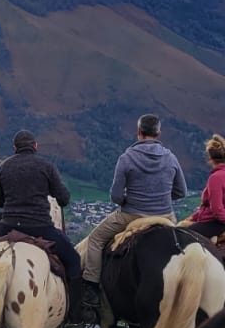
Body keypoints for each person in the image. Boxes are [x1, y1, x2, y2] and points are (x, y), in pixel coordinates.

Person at [79, 114, 188, 307]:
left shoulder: (127, 158)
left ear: (139, 132)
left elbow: (115, 196)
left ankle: (91, 288)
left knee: (95, 240)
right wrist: (160, 198)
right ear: (158, 133)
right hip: (165, 216)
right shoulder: (171, 158)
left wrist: (130, 200)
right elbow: (181, 191)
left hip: (131, 215)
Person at [0, 130, 82, 328]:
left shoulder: (4, 167)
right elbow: (64, 199)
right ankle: (75, 319)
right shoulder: (46, 166)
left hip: (8, 227)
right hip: (40, 227)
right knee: (74, 261)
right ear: (36, 146)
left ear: (14, 148)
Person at [184, 134, 225, 240]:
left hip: (219, 223)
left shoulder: (215, 178)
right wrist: (193, 217)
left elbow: (216, 209)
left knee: (183, 235)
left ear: (210, 158)